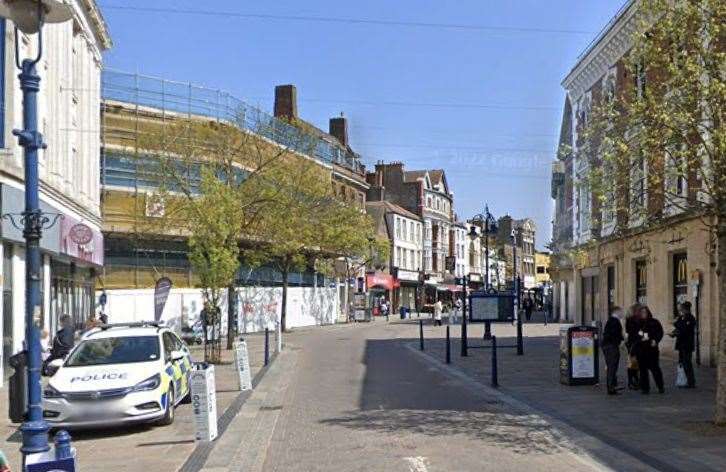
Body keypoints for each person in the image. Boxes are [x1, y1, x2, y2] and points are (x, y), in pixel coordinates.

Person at [636, 306, 665, 394]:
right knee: (643, 370)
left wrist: (656, 340)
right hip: (641, 349)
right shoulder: (637, 323)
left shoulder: (654, 322)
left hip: (652, 349)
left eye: (645, 312)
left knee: (655, 369)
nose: (644, 314)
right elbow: (633, 335)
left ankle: (660, 386)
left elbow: (660, 332)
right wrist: (639, 339)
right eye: (642, 312)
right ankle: (645, 388)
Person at [673, 301, 697, 388]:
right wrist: (673, 333)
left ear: (686, 309)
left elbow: (684, 329)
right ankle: (684, 380)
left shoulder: (690, 318)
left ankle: (691, 382)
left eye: (682, 309)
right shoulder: (681, 317)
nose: (681, 311)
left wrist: (676, 324)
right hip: (681, 344)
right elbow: (677, 327)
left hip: (687, 345)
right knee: (681, 362)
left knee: (687, 363)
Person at [602, 307, 625, 395]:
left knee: (611, 366)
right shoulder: (615, 321)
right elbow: (614, 334)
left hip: (608, 345)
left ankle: (613, 385)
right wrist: (621, 341)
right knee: (612, 367)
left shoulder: (611, 320)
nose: (622, 313)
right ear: (617, 312)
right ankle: (611, 388)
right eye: (621, 312)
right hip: (611, 346)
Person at [624, 303, 642, 390]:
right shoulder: (631, 320)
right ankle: (632, 381)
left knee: (636, 363)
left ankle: (635, 380)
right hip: (633, 344)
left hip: (637, 343)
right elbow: (630, 332)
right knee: (632, 363)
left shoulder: (638, 319)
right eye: (639, 310)